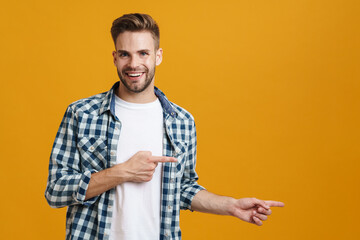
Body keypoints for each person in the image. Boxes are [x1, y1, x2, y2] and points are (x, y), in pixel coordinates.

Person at [45, 13, 284, 240]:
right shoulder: (82, 113)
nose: (134, 63)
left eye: (143, 53)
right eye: (125, 54)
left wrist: (230, 206)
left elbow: (183, 189)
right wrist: (123, 172)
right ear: (115, 57)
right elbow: (55, 191)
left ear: (158, 56)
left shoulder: (181, 121)